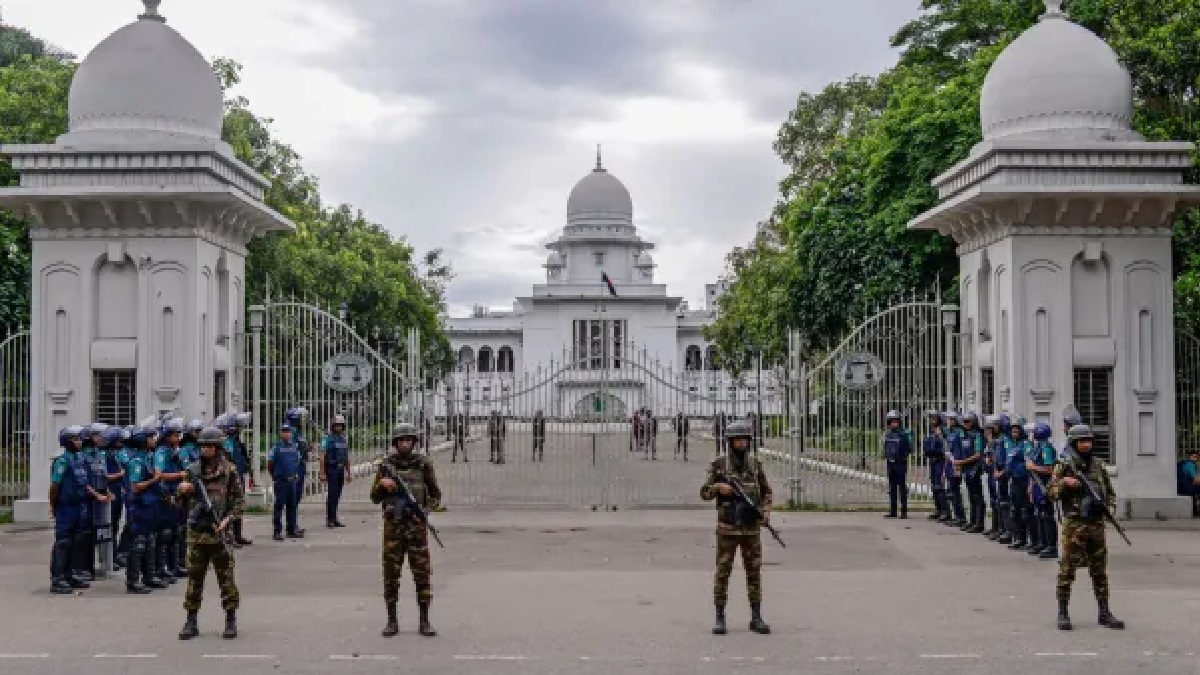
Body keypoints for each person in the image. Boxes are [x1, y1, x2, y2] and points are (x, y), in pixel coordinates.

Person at [1047, 424, 1123, 631]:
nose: (1086, 444)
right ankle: (1063, 612)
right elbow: (1051, 491)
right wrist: (1065, 483)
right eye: (1082, 441)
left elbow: (1110, 492)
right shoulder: (1064, 464)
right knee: (1067, 570)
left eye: (1088, 440)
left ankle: (1104, 611)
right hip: (1075, 525)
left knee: (1099, 570)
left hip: (1096, 525)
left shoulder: (1098, 465)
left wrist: (1109, 507)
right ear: (1074, 442)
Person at [700, 420, 772, 635]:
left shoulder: (755, 465)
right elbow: (704, 492)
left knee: (754, 573)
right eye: (737, 441)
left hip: (751, 529)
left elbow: (767, 492)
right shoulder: (719, 465)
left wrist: (765, 512)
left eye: (744, 440)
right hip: (727, 529)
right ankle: (720, 617)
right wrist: (718, 488)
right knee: (723, 573)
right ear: (729, 442)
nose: (741, 444)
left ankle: (756, 617)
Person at [371, 423, 442, 638]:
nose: (404, 443)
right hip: (393, 528)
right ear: (395, 443)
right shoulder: (386, 466)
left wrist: (424, 511)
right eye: (401, 440)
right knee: (391, 575)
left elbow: (436, 495)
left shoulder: (423, 464)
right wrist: (382, 485)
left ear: (413, 442)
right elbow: (374, 498)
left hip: (417, 528)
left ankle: (424, 620)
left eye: (408, 440)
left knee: (422, 574)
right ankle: (392, 621)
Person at [177, 426, 245, 640]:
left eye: (209, 446)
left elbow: (239, 502)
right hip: (197, 534)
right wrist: (181, 492)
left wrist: (228, 520)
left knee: (226, 580)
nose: (205, 449)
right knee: (194, 580)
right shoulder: (192, 471)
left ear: (217, 448)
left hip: (220, 533)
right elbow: (179, 504)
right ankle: (191, 620)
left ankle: (231, 619)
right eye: (203, 445)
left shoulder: (229, 471)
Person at [48, 426, 107, 593]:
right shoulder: (62, 460)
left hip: (80, 506)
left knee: (76, 542)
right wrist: (53, 506)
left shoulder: (79, 459)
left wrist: (98, 495)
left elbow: (85, 484)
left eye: (80, 439)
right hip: (66, 507)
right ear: (67, 442)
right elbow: (54, 486)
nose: (79, 442)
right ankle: (57, 579)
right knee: (63, 542)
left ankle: (70, 575)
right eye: (75, 439)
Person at [123, 425, 164, 593]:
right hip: (138, 507)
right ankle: (133, 581)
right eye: (150, 437)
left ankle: (149, 576)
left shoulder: (147, 458)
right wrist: (154, 480)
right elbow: (135, 487)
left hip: (149, 507)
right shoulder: (136, 462)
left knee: (150, 542)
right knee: (138, 544)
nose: (154, 440)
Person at [267, 423, 304, 540]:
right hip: (281, 481)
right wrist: (275, 476)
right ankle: (277, 531)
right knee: (279, 506)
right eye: (284, 431)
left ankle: (291, 530)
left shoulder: (294, 447)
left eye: (288, 431)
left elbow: (297, 462)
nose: (286, 433)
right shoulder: (276, 448)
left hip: (292, 481)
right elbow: (269, 464)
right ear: (280, 433)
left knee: (292, 506)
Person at [320, 414, 351, 528]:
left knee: (337, 495)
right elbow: (322, 456)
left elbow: (346, 457)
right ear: (333, 426)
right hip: (331, 469)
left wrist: (348, 472)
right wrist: (322, 473)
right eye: (336, 425)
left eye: (341, 426)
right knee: (332, 494)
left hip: (340, 469)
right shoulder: (327, 439)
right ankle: (330, 519)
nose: (339, 428)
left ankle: (334, 518)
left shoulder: (343, 439)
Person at [882, 410, 913, 519]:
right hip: (890, 463)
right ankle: (893, 511)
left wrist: (902, 454)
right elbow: (885, 448)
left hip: (900, 463)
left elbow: (910, 448)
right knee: (892, 487)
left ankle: (904, 511)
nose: (894, 423)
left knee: (902, 487)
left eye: (896, 421)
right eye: (892, 421)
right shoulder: (888, 433)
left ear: (899, 422)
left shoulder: (904, 433)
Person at [922, 411, 949, 521]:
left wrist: (940, 436)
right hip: (933, 461)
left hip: (940, 461)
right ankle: (938, 510)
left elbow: (945, 447)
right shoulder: (931, 432)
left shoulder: (943, 432)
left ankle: (945, 511)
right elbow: (927, 445)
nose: (932, 420)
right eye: (931, 418)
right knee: (934, 486)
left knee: (939, 486)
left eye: (934, 418)